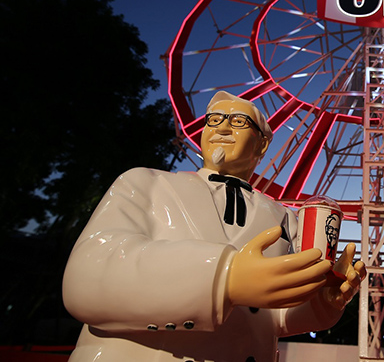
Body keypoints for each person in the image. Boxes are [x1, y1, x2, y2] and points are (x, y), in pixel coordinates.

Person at [63, 91, 366, 362]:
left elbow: (270, 318)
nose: (221, 128)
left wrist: (320, 304)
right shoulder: (146, 183)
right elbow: (87, 274)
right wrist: (224, 278)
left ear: (261, 144)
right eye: (214, 119)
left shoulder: (285, 217)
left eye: (237, 121)